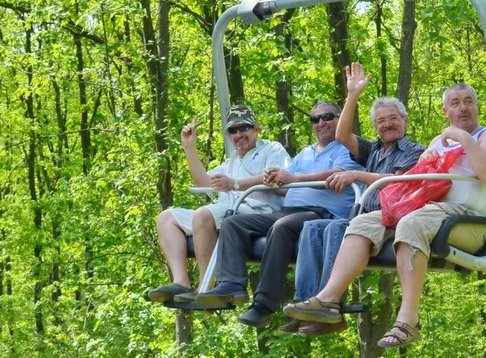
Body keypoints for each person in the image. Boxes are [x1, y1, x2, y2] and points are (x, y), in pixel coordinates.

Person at [283, 78, 486, 349]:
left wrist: (461, 137)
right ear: (445, 111)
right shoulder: (437, 141)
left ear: (477, 107)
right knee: (363, 222)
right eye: (456, 103)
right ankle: (329, 299)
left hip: (465, 219)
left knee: (411, 223)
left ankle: (408, 319)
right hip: (428, 210)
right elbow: (418, 181)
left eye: (468, 102)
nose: (463, 108)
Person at [280, 63, 424, 336]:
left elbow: (394, 183)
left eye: (393, 119)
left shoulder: (415, 150)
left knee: (336, 227)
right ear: (375, 126)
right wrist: (353, 96)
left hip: (390, 217)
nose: (388, 125)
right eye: (381, 121)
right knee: (312, 228)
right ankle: (307, 305)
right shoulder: (373, 150)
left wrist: (355, 174)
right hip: (363, 218)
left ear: (405, 121)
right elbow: (342, 135)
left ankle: (330, 305)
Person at [194, 101, 364, 328]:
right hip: (288, 209)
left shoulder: (348, 150)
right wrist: (274, 179)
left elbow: (335, 175)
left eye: (327, 117)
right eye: (315, 119)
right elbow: (284, 183)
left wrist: (293, 179)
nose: (321, 123)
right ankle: (231, 285)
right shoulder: (305, 153)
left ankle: (263, 305)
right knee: (233, 223)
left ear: (339, 119)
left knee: (282, 226)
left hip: (321, 213)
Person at [147, 105, 290, 303]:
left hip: (258, 214)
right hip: (227, 211)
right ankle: (181, 281)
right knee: (167, 218)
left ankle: (206, 286)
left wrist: (235, 184)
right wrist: (189, 147)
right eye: (233, 130)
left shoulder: (271, 149)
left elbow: (276, 178)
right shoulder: (231, 162)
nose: (238, 134)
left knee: (203, 214)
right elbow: (203, 182)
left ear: (256, 129)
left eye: (244, 128)